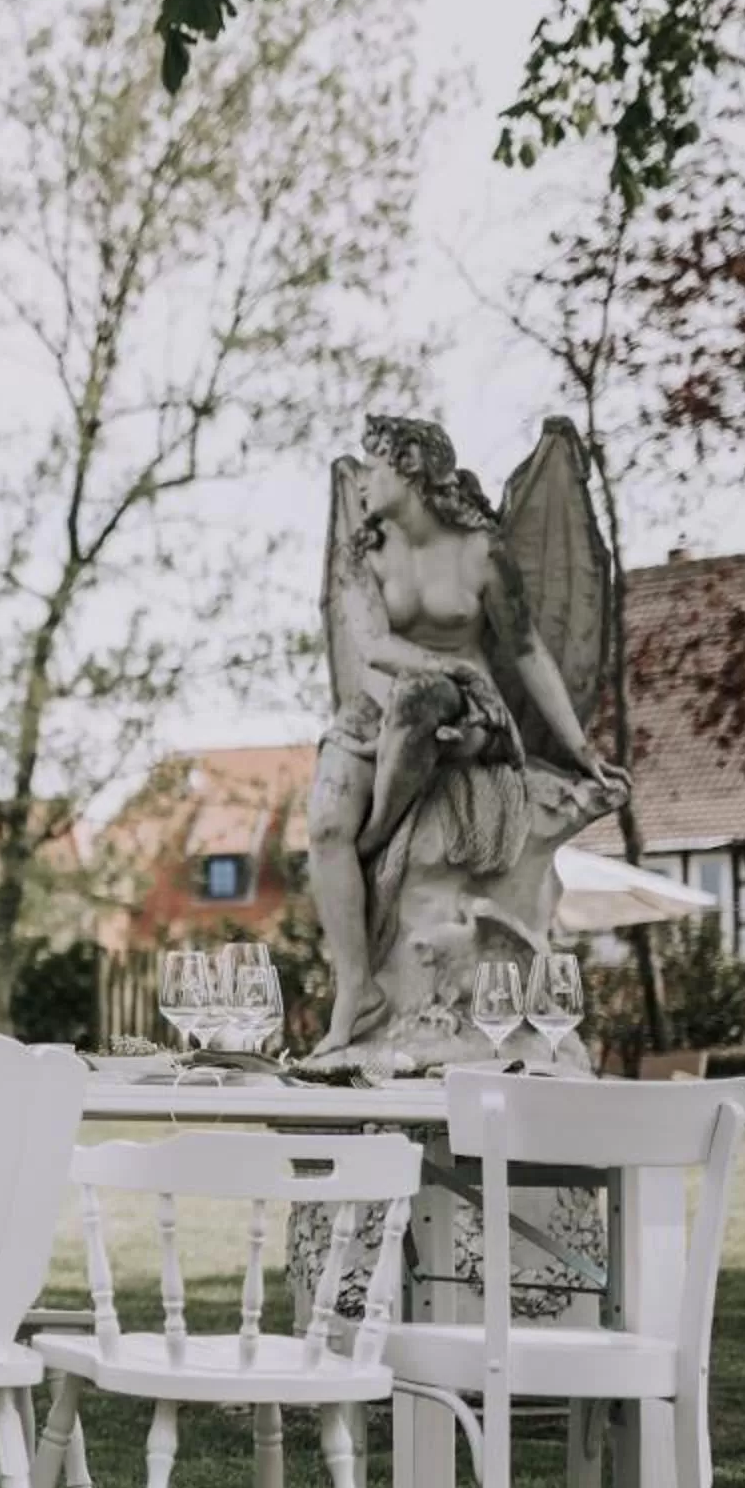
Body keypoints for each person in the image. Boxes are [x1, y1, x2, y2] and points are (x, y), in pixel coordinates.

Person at [308, 416, 627, 1053]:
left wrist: (581, 750)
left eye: (375, 468)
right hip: (379, 710)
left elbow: (529, 650)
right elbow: (370, 646)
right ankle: (355, 986)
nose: (365, 483)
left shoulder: (482, 552)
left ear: (410, 467)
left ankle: (378, 835)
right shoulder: (361, 553)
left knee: (429, 698)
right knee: (322, 825)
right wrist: (441, 666)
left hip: (470, 713)